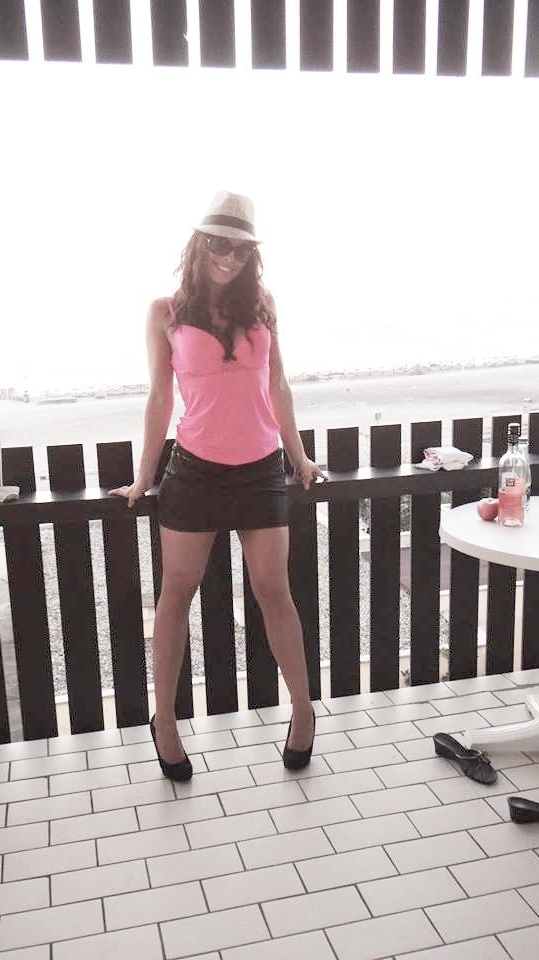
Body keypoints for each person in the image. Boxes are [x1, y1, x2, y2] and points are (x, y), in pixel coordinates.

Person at [109, 191, 325, 781]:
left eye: (240, 248)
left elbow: (278, 387)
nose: (228, 256)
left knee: (274, 591)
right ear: (197, 244)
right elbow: (160, 397)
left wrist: (300, 458)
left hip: (261, 470)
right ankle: (165, 722)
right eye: (217, 244)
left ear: (252, 254)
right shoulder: (165, 312)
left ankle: (304, 710)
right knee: (176, 593)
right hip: (195, 471)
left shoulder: (263, 305)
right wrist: (144, 476)